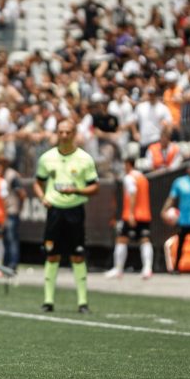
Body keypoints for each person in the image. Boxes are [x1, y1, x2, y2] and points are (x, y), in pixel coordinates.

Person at [33, 119, 100, 314]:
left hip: (75, 210)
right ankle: (48, 300)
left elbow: (95, 186)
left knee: (77, 255)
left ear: (74, 134)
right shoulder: (47, 158)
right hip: (54, 210)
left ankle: (82, 302)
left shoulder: (84, 159)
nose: (64, 135)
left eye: (68, 132)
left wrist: (77, 190)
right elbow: (38, 182)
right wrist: (42, 197)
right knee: (52, 254)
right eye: (61, 132)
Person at [105, 158, 153, 279]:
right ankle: (147, 269)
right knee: (145, 240)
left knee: (121, 240)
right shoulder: (142, 177)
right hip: (145, 214)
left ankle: (118, 269)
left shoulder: (129, 178)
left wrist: (131, 214)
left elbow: (132, 194)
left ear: (128, 165)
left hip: (131, 215)